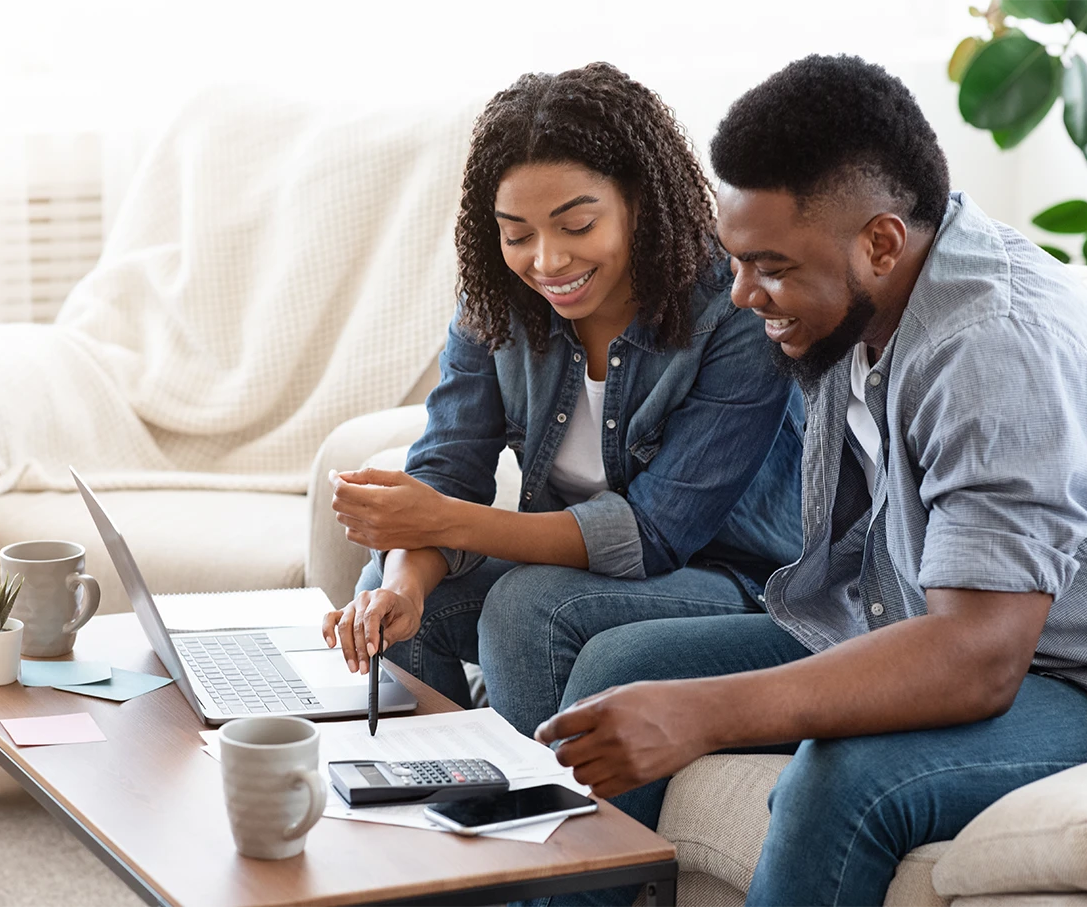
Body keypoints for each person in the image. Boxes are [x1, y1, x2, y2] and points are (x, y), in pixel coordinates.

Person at [533, 55, 1087, 907]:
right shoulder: (859, 302)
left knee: (844, 773)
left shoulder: (995, 348)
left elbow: (977, 656)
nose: (744, 293)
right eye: (737, 260)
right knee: (618, 663)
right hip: (932, 612)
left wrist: (706, 711)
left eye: (772, 266)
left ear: (882, 242)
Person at [319, 62, 805, 738]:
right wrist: (402, 579)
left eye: (576, 226)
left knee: (527, 607)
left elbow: (656, 534)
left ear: (639, 200)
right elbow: (449, 468)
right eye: (518, 234)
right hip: (593, 575)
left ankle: (537, 830)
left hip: (734, 581)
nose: (546, 261)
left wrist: (443, 519)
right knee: (396, 589)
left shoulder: (732, 308)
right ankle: (427, 797)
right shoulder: (498, 303)